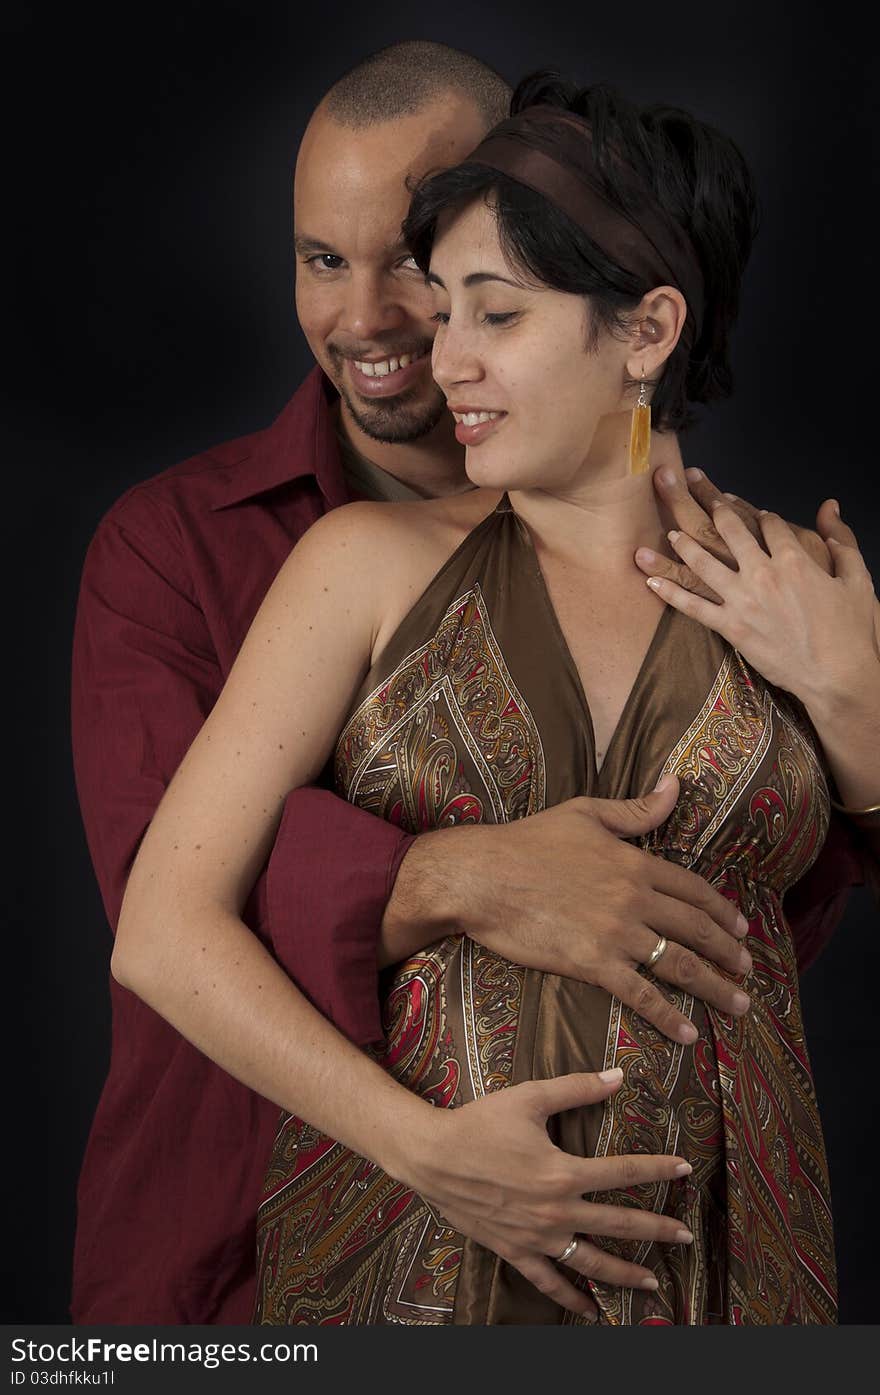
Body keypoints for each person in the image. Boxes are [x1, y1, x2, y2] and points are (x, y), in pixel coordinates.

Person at [72, 43, 866, 1324]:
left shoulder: (772, 582)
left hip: (730, 1267)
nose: (411, 340)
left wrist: (856, 699)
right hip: (321, 1254)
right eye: (322, 259)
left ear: (646, 327)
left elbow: (784, 912)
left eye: (465, 299)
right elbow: (160, 923)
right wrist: (464, 898)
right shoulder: (283, 556)